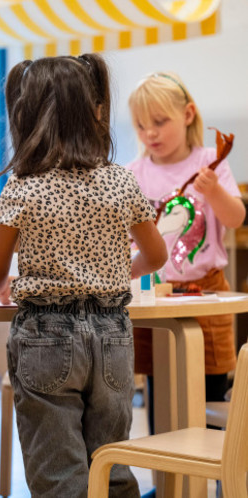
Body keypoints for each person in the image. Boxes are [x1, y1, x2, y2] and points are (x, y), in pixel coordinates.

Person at [0, 54, 167, 498]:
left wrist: (5, 287)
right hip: (113, 338)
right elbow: (156, 254)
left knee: (58, 473)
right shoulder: (120, 181)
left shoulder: (23, 186)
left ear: (26, 117)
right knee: (112, 461)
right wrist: (122, 271)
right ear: (95, 111)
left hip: (44, 336)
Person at [127, 72, 246, 429]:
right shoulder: (134, 172)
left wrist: (214, 193)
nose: (151, 133)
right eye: (141, 125)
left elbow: (236, 218)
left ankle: (203, 475)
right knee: (158, 389)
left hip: (206, 292)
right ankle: (167, 480)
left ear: (188, 114)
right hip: (152, 296)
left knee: (207, 390)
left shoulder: (210, 161)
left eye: (160, 122)